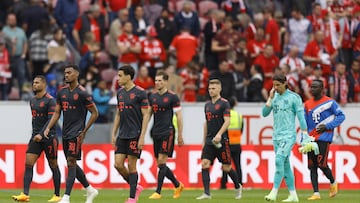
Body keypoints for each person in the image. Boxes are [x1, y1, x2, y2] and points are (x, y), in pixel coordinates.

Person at [44, 64, 99, 203]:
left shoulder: (82, 93)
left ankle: (66, 197)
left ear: (77, 74)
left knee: (71, 161)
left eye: (69, 72)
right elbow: (57, 112)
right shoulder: (61, 92)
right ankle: (90, 190)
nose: (66, 75)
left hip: (77, 132)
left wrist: (84, 130)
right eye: (65, 73)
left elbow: (95, 113)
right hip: (66, 132)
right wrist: (48, 127)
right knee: (71, 163)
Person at [12, 75, 61, 202]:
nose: (34, 84)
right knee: (28, 164)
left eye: (37, 83)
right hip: (35, 138)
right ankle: (25, 194)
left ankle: (57, 195)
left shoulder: (51, 101)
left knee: (53, 165)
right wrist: (35, 134)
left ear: (44, 84)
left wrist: (41, 133)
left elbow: (51, 120)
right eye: (33, 82)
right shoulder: (32, 100)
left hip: (49, 138)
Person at [262, 73, 308, 202]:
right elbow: (264, 113)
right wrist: (270, 99)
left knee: (279, 160)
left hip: (288, 136)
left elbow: (301, 117)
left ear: (285, 83)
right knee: (286, 165)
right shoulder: (274, 97)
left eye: (278, 85)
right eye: (274, 85)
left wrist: (305, 134)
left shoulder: (294, 98)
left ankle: (274, 192)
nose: (275, 88)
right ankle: (293, 195)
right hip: (276, 137)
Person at [111, 64, 151, 203]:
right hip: (122, 134)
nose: (118, 78)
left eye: (121, 76)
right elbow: (118, 113)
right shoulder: (120, 93)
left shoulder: (140, 93)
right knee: (118, 164)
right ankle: (136, 187)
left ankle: (132, 197)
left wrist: (142, 136)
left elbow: (146, 115)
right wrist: (113, 133)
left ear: (128, 77)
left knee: (132, 165)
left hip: (135, 133)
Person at [196, 79, 241, 200]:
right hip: (209, 141)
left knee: (226, 167)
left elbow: (227, 121)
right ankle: (206, 193)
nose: (211, 91)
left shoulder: (224, 103)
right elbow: (206, 123)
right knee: (205, 164)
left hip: (222, 141)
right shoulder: (207, 105)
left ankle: (237, 186)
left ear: (219, 89)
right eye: (210, 88)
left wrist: (219, 134)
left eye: (214, 88)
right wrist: (204, 140)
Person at [304, 79, 345, 200]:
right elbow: (305, 124)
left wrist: (328, 126)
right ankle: (316, 193)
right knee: (312, 166)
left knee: (322, 164)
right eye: (311, 87)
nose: (313, 89)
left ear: (322, 89)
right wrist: (304, 138)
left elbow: (341, 116)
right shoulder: (307, 104)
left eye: (316, 87)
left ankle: (333, 182)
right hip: (311, 138)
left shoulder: (330, 102)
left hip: (324, 137)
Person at [148, 71, 185, 199]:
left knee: (162, 161)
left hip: (167, 132)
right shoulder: (152, 97)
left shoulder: (173, 97)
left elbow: (179, 117)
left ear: (166, 82)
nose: (157, 83)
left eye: (160, 81)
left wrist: (180, 135)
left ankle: (158, 192)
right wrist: (143, 131)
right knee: (159, 163)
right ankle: (177, 184)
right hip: (156, 132)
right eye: (156, 80)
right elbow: (149, 115)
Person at [220, 97, 243, 192]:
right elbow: (241, 129)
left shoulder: (224, 115)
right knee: (237, 165)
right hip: (236, 143)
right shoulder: (238, 115)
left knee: (226, 164)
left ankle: (223, 184)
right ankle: (240, 183)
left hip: (227, 143)